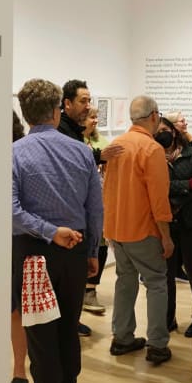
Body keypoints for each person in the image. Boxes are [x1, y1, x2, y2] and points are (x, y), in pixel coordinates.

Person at [12, 79, 103, 383]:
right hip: (75, 252)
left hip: (32, 254)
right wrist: (92, 252)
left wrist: (50, 232)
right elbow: (95, 209)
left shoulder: (14, 154)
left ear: (25, 115)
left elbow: (10, 210)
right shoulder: (81, 151)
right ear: (55, 111)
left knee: (41, 340)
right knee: (68, 332)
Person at [103, 95, 175, 365]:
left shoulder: (116, 144)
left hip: (117, 229)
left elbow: (107, 190)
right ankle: (157, 345)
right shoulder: (151, 149)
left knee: (125, 280)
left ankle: (121, 338)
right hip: (143, 230)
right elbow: (159, 199)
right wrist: (166, 236)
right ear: (155, 116)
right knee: (156, 283)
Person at [57, 79, 122, 336]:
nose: (88, 106)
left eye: (89, 100)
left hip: (78, 216)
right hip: (68, 218)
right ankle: (67, 326)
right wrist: (98, 157)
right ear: (67, 103)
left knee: (73, 282)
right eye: (83, 101)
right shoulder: (63, 131)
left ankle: (70, 322)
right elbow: (72, 162)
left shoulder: (73, 129)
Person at [155, 117, 192, 338]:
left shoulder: (191, 154)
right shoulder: (154, 155)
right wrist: (186, 187)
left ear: (174, 132)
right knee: (167, 275)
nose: (161, 133)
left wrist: (175, 194)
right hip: (165, 224)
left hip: (190, 221)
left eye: (165, 129)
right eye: (157, 130)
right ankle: (168, 319)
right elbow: (157, 188)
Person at [82, 105, 109, 314]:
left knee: (101, 243)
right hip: (80, 203)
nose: (95, 121)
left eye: (96, 117)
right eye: (91, 117)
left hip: (100, 200)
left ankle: (90, 290)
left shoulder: (102, 143)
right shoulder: (75, 143)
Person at [10, 110, 29, 383]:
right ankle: (18, 371)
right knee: (16, 310)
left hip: (14, 240)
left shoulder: (17, 154)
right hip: (10, 240)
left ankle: (19, 371)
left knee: (17, 310)